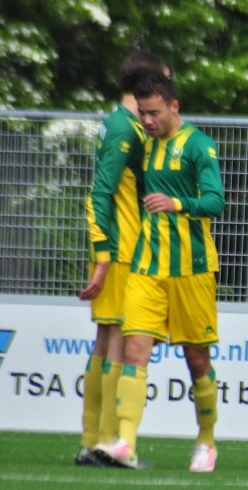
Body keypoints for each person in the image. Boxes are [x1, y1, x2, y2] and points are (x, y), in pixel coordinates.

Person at [95, 73, 226, 473]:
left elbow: (216, 202)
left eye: (153, 113)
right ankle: (125, 444)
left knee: (197, 361)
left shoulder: (200, 146)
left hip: (192, 269)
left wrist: (176, 203)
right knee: (135, 350)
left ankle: (206, 442)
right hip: (146, 266)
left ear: (174, 106)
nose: (147, 121)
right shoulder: (143, 144)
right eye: (142, 113)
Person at [76, 50, 171, 466]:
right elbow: (99, 193)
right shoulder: (126, 130)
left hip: (118, 249)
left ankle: (92, 440)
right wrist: (103, 255)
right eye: (164, 81)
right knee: (117, 340)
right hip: (122, 251)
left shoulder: (118, 123)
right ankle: (108, 442)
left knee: (104, 340)